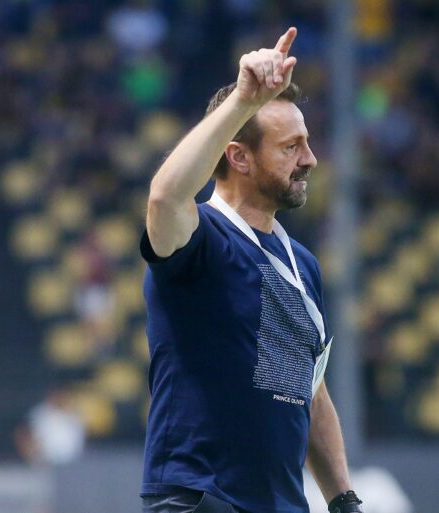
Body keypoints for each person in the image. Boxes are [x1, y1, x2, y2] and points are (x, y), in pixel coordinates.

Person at [139, 27, 363, 513]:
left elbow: (311, 392)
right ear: (238, 156)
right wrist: (243, 100)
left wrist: (344, 501)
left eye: (307, 143)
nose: (310, 159)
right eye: (291, 147)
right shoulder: (200, 239)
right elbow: (164, 198)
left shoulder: (302, 264)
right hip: (200, 500)